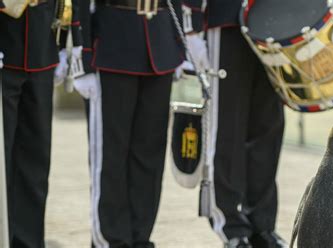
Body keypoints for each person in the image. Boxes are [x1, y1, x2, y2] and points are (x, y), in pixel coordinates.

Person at [75, 0, 186, 247]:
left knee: (150, 153)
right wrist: (81, 56)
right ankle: (111, 238)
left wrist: (179, 44)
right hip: (112, 43)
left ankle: (140, 236)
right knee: (111, 154)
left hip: (160, 43)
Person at [184, 0, 287, 247]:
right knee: (226, 128)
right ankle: (230, 224)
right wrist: (192, 26)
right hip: (227, 18)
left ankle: (262, 224)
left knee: (268, 128)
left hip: (275, 20)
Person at [0, 0, 82, 246]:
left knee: (35, 159)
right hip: (5, 46)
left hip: (41, 48)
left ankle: (28, 241)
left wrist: (62, 41)